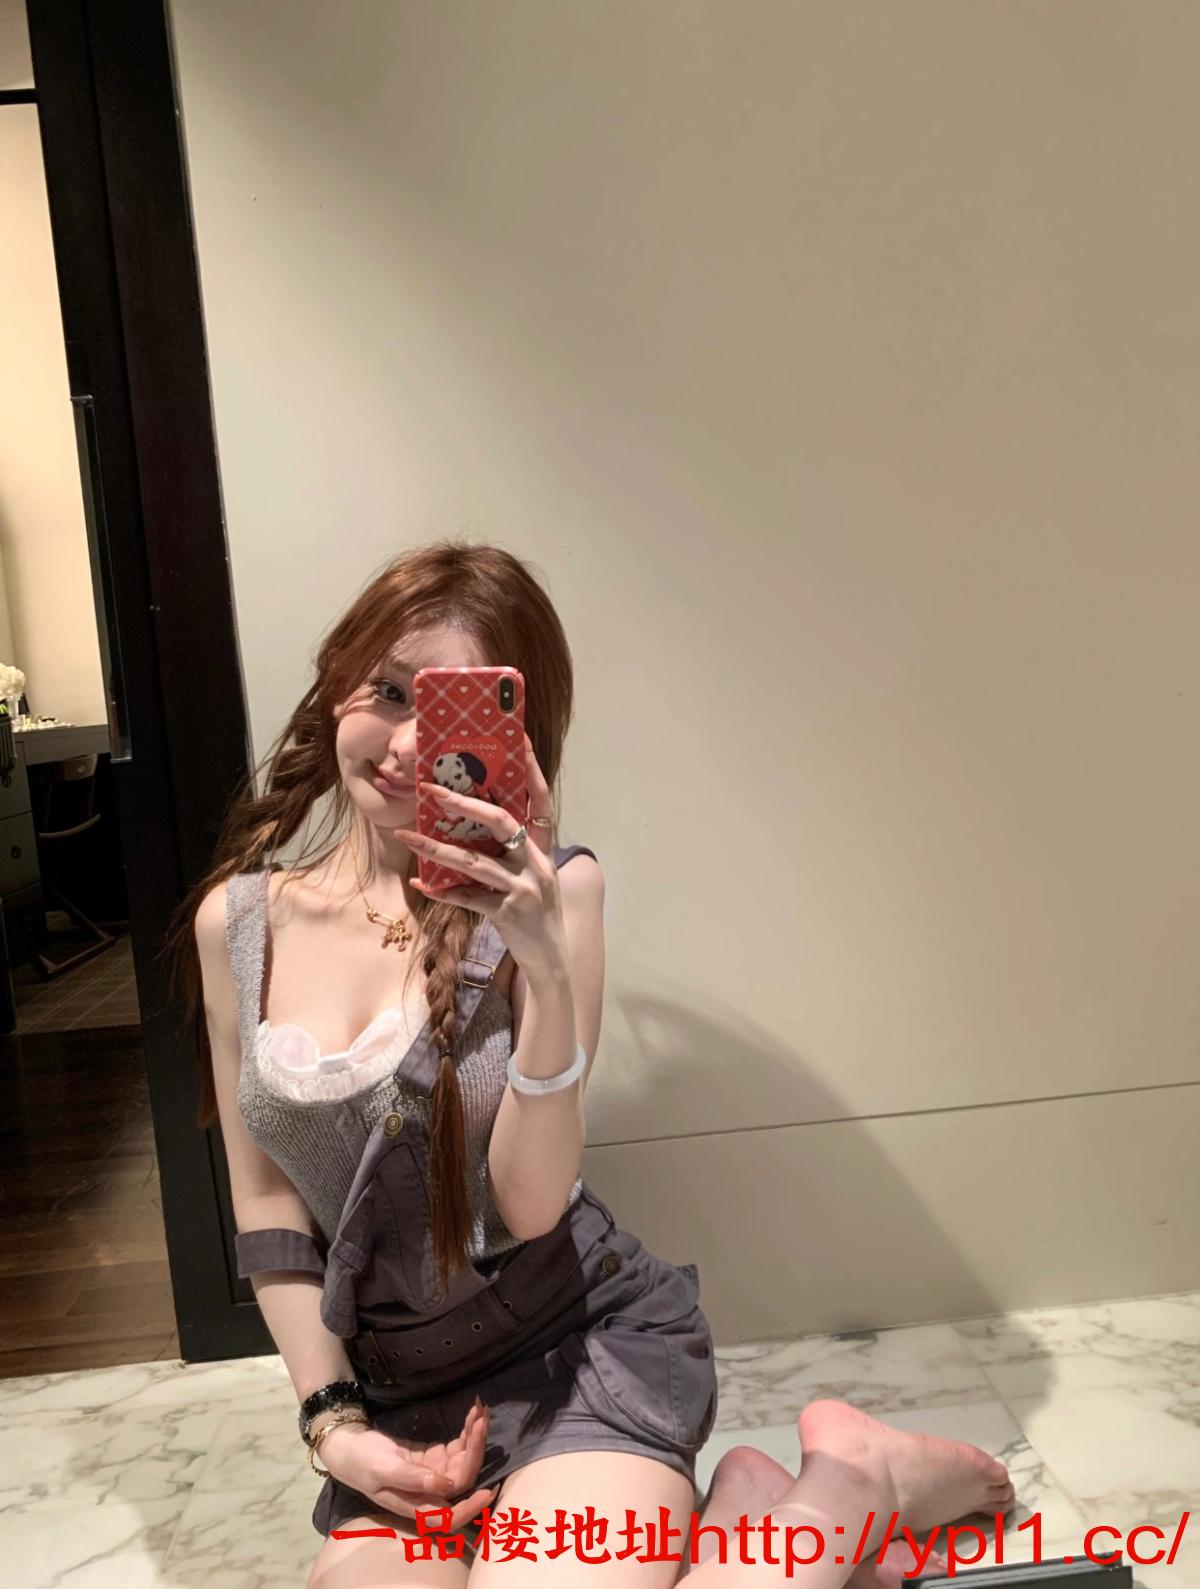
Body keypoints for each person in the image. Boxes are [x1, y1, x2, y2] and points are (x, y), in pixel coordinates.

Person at [168, 540, 1011, 1586]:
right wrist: (334, 1426)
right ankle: (761, 1514)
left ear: (514, 735)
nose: (408, 742)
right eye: (386, 690)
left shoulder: (557, 896)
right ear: (335, 682)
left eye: (452, 711)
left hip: (577, 1354)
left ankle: (846, 1486)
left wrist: (544, 964)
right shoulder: (238, 923)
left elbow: (530, 1202)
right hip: (400, 1404)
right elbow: (267, 1208)